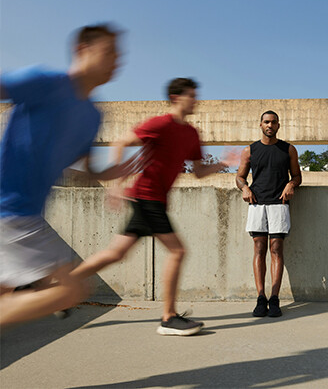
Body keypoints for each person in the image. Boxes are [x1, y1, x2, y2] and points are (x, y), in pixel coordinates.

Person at [72, 78, 234, 336]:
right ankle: (168, 317)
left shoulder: (192, 134)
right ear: (176, 97)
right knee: (178, 251)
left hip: (151, 199)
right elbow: (120, 143)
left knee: (115, 253)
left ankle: (58, 286)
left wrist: (223, 163)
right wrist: (116, 184)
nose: (196, 100)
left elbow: (199, 172)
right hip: (148, 197)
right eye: (191, 95)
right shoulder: (159, 124)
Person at [0, 24, 138, 326]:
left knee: (7, 291)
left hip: (25, 213)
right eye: (109, 52)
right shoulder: (45, 81)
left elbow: (87, 170)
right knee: (71, 290)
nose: (117, 61)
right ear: (82, 50)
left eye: (119, 55)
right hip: (10, 209)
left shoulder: (93, 116)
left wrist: (113, 174)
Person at [236, 110, 302, 317]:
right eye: (266, 122)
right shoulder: (250, 150)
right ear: (261, 124)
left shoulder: (288, 149)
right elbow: (239, 177)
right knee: (259, 248)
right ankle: (260, 298)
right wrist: (245, 188)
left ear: (278, 125)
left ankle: (274, 299)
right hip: (257, 204)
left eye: (273, 122)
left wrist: (291, 184)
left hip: (279, 204)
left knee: (276, 249)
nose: (270, 125)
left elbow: (297, 176)